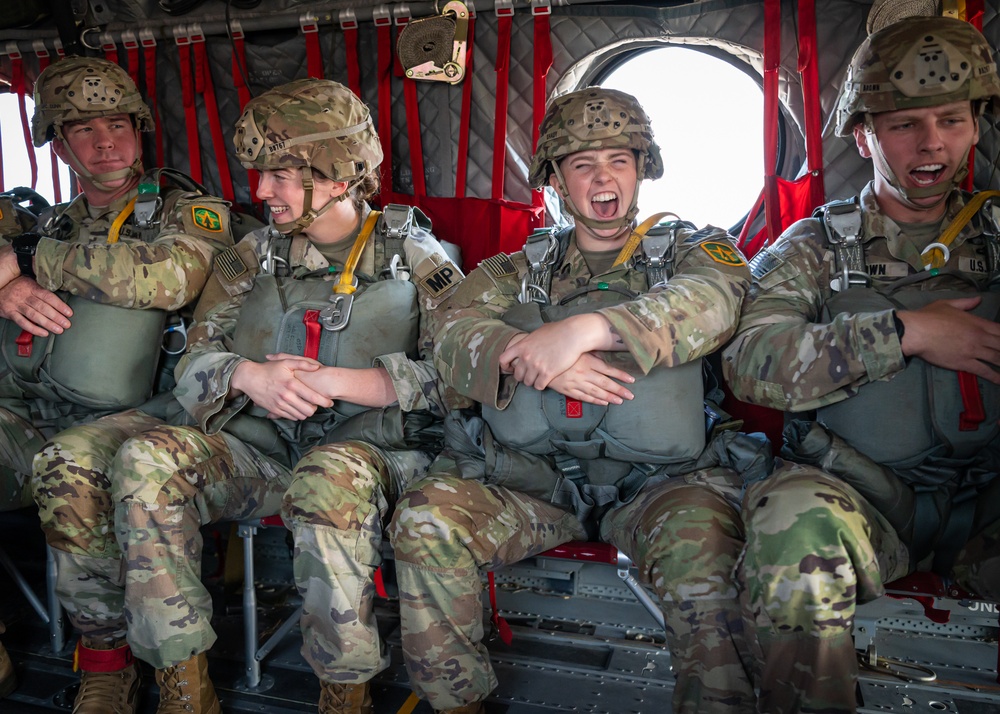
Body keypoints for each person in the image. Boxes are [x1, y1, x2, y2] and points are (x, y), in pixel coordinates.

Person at [390, 87, 765, 714]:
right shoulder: (517, 269)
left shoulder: (693, 251)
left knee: (704, 552)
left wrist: (582, 332)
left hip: (661, 486)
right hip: (535, 485)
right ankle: (458, 702)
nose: (603, 179)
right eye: (582, 164)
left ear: (643, 168)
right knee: (426, 519)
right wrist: (535, 358)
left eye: (619, 160)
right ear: (557, 180)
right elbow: (448, 333)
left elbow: (714, 301)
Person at [108, 78, 460, 714]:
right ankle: (183, 682)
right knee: (144, 461)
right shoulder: (252, 257)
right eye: (260, 174)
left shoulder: (413, 256)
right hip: (264, 454)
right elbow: (193, 360)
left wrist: (355, 384)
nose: (261, 191)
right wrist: (247, 376)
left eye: (280, 175)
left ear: (338, 173)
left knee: (328, 477)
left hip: (373, 461)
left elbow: (466, 375)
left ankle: (344, 689)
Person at [723, 15, 1000, 714]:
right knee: (788, 521)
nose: (932, 143)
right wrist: (906, 332)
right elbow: (751, 360)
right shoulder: (814, 245)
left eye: (951, 120)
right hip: (864, 500)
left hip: (991, 500)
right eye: (905, 124)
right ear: (864, 134)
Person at [0, 56, 234, 712]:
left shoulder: (192, 213)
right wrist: (14, 281)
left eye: (117, 124)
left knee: (68, 467)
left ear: (141, 128)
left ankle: (109, 663)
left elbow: (171, 278)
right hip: (43, 403)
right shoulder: (54, 222)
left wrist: (24, 264)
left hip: (153, 411)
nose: (104, 141)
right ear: (59, 143)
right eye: (81, 129)